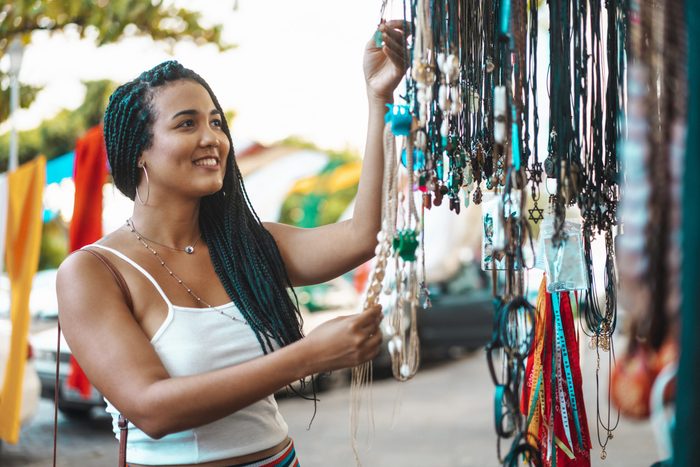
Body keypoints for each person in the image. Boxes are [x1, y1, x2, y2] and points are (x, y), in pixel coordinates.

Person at [57, 20, 407, 467]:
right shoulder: (94, 272)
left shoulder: (247, 245)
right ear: (138, 153)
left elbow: (364, 235)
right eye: (187, 124)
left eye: (216, 123)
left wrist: (379, 100)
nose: (213, 139)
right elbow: (152, 408)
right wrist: (309, 356)